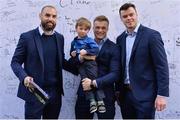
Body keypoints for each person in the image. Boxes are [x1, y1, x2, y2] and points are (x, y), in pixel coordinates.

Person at [11, 5, 77, 119]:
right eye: (47, 15)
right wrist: (24, 77)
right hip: (35, 92)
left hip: (55, 94)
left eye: (54, 16)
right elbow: (15, 62)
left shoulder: (59, 38)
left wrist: (81, 66)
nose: (50, 19)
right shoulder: (27, 37)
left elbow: (61, 61)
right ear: (40, 16)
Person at [115, 3, 169, 119]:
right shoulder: (120, 39)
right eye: (125, 16)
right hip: (125, 95)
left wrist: (162, 95)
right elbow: (120, 66)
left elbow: (161, 66)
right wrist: (118, 91)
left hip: (146, 95)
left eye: (131, 14)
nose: (129, 18)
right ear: (121, 19)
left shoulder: (152, 36)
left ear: (136, 14)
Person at [75, 15, 120, 119]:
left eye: (103, 28)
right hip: (84, 95)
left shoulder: (115, 48)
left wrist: (93, 83)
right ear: (93, 28)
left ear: (107, 29)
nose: (100, 30)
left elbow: (115, 74)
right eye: (97, 27)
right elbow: (73, 65)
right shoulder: (84, 45)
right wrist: (79, 58)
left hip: (106, 96)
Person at [70, 17, 106, 113]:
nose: (83, 31)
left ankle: (100, 101)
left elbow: (96, 50)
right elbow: (72, 54)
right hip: (81, 66)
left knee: (93, 80)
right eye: (80, 28)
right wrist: (72, 54)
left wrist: (86, 51)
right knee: (85, 82)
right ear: (76, 28)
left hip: (90, 64)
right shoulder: (73, 42)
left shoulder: (89, 40)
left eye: (85, 29)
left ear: (88, 30)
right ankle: (92, 101)